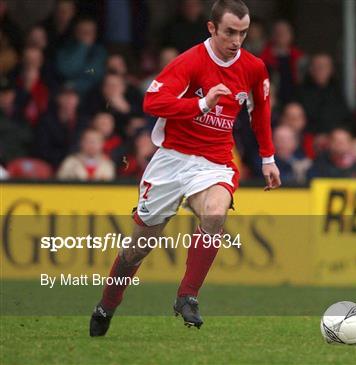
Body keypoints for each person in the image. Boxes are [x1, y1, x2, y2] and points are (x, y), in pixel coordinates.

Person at [90, 0, 280, 336]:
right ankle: (107, 303)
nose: (237, 40)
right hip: (172, 159)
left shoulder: (253, 67)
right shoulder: (190, 61)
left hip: (214, 160)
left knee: (216, 214)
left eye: (243, 32)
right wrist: (202, 103)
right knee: (138, 249)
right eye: (230, 32)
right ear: (212, 28)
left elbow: (261, 111)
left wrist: (268, 158)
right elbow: (151, 102)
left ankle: (187, 295)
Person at [296, 53, 353, 134]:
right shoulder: (299, 93)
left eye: (325, 66)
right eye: (318, 66)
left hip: (334, 138)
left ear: (331, 70)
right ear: (310, 69)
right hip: (308, 138)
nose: (321, 70)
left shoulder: (337, 92)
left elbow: (346, 120)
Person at [56, 17, 107, 95]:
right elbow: (67, 70)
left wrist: (75, 83)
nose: (87, 34)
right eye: (83, 31)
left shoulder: (100, 51)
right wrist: (83, 47)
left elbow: (96, 73)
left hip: (92, 93)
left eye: (90, 31)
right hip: (66, 94)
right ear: (76, 33)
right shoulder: (65, 49)